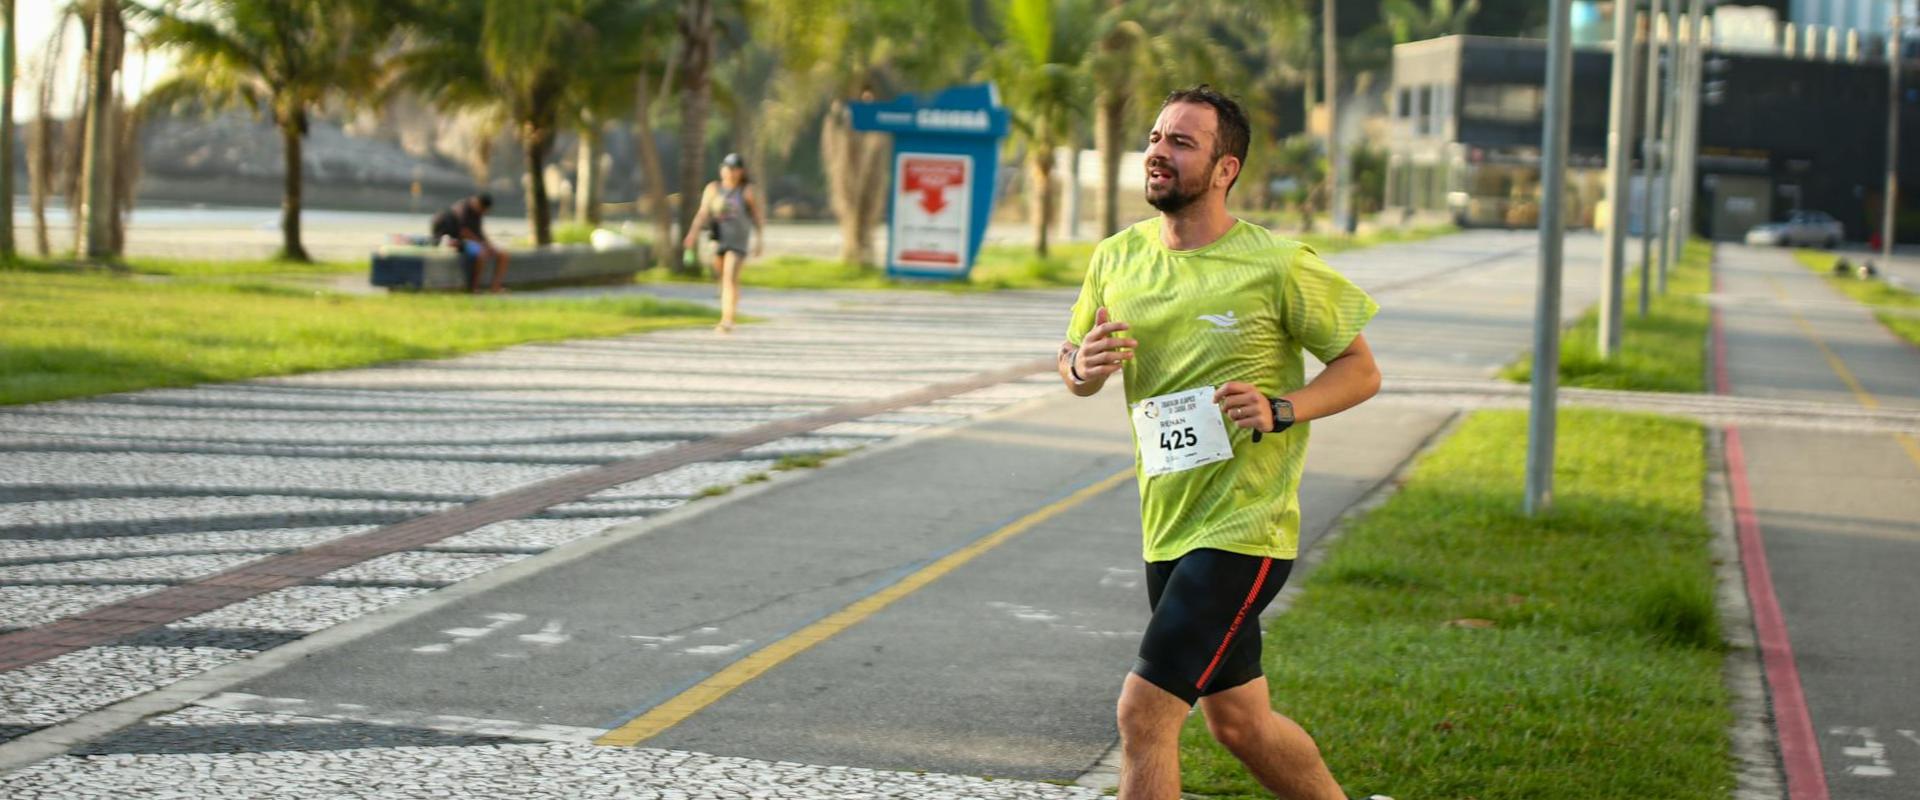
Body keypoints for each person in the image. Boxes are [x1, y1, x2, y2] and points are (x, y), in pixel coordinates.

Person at [1060, 85, 1388, 800]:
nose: (1158, 152)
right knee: (1240, 723)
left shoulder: (1276, 263)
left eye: (1182, 142)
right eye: (1155, 137)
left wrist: (1282, 407)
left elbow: (1361, 370)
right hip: (1167, 524)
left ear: (1225, 168)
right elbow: (1072, 363)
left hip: (1244, 528)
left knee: (1144, 712)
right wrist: (1081, 367)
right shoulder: (1117, 257)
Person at [683, 153, 765, 333]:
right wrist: (692, 234)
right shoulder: (713, 189)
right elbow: (703, 213)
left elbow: (757, 217)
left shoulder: (747, 191)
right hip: (718, 238)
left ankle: (727, 319)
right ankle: (731, 304)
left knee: (729, 276)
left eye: (735, 169)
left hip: (738, 241)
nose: (731, 173)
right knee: (722, 279)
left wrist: (760, 240)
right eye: (728, 168)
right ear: (722, 170)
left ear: (741, 171)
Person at [431, 193, 508, 293]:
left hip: (474, 241)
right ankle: (475, 287)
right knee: (482, 254)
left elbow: (480, 231)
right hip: (459, 241)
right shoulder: (462, 209)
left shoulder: (478, 213)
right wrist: (481, 244)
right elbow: (463, 232)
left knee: (503, 255)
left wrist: (489, 245)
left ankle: (495, 287)